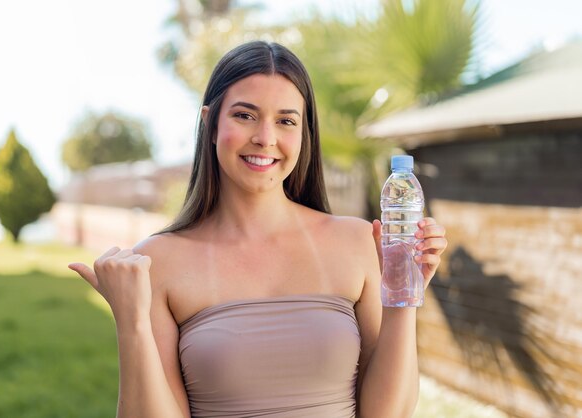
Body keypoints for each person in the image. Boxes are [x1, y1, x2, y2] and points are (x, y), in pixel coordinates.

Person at [69, 41, 447, 418]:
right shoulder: (158, 262)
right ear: (210, 124)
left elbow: (388, 414)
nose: (266, 137)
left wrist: (403, 297)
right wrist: (131, 323)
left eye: (286, 121)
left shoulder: (357, 242)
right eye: (245, 115)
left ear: (304, 133)